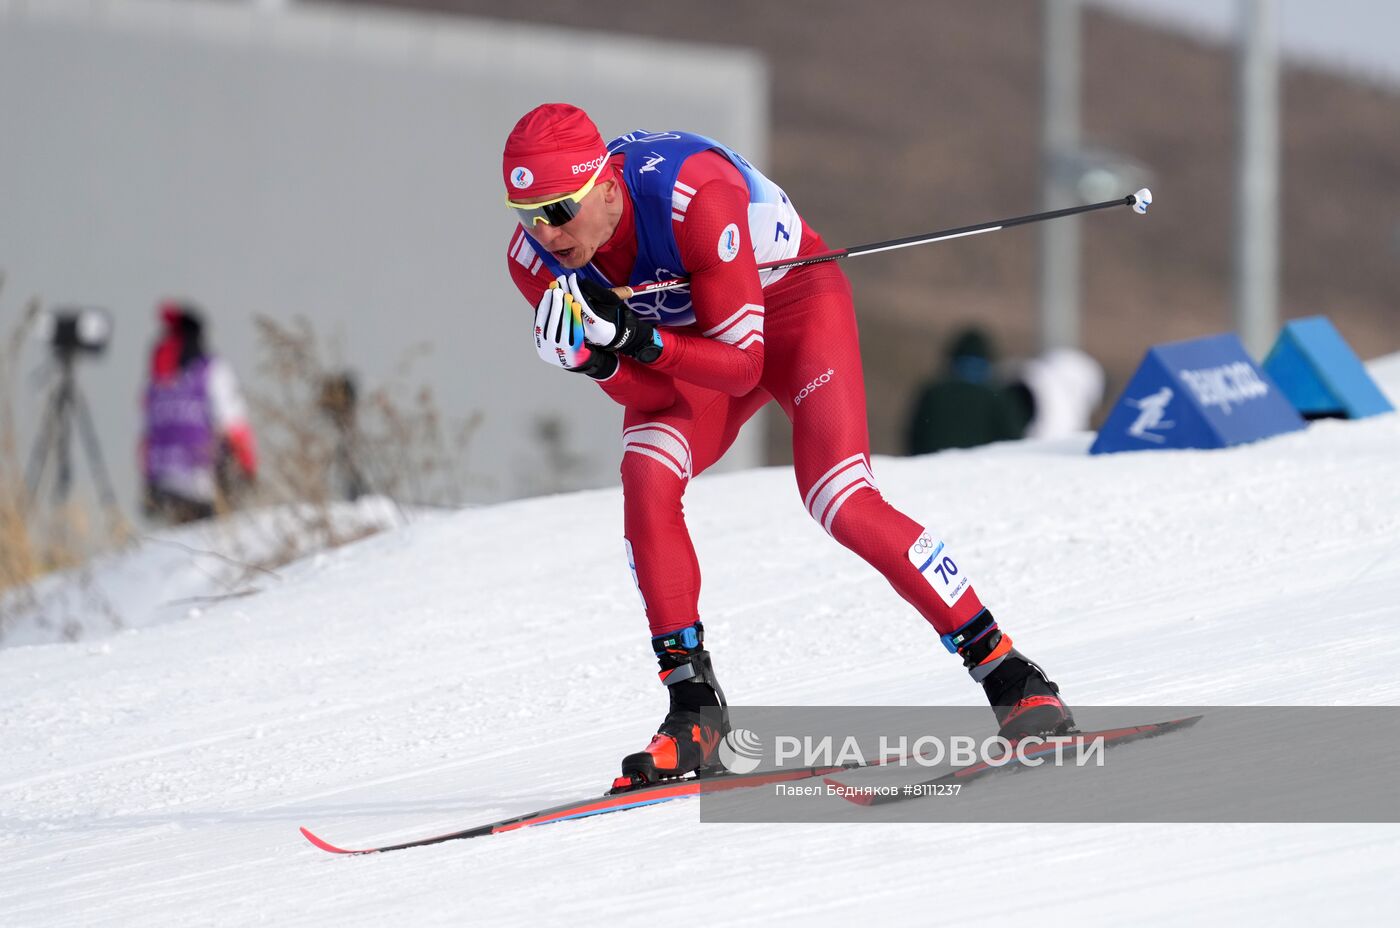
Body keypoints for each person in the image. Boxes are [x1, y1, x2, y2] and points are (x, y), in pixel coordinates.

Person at [502, 103, 1072, 789]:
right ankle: (694, 712)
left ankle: (1009, 673)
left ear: (603, 184)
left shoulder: (693, 196)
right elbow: (651, 397)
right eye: (525, 212)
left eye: (558, 210)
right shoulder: (533, 261)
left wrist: (635, 339)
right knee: (647, 474)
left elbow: (743, 362)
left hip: (792, 305)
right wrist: (597, 361)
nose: (544, 233)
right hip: (692, 347)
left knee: (841, 498)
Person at [141, 301, 257, 524]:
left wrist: (148, 481)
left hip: (163, 482)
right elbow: (234, 425)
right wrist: (248, 467)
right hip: (203, 483)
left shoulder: (156, 379)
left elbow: (146, 436)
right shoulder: (211, 370)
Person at [904, 326, 1025, 455]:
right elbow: (1013, 444)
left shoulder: (933, 393)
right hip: (981, 471)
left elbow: (913, 436)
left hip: (933, 468)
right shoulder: (997, 397)